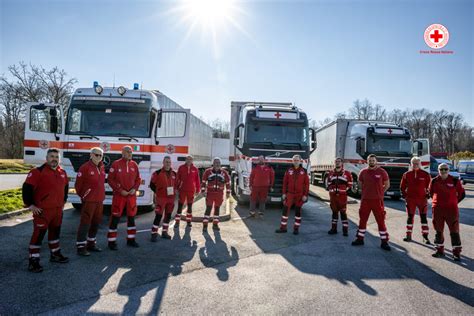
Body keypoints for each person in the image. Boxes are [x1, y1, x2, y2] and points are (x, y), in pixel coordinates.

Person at [23, 148, 69, 272]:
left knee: (55, 233)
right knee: (39, 235)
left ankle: (55, 254)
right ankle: (33, 261)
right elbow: (26, 188)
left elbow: (65, 187)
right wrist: (30, 205)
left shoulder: (62, 172)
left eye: (56, 157)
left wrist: (63, 201)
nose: (54, 159)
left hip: (57, 210)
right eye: (52, 156)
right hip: (42, 211)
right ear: (47, 158)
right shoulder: (37, 171)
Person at [352, 154, 391, 251]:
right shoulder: (363, 172)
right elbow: (360, 185)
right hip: (365, 200)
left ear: (376, 161)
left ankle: (384, 241)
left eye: (373, 160)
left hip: (377, 200)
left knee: (380, 221)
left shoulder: (382, 172)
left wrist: (380, 192)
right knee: (362, 220)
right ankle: (360, 239)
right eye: (370, 160)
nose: (371, 162)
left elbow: (387, 185)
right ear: (367, 161)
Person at [106, 146, 141, 250]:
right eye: (127, 151)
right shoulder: (116, 164)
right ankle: (111, 242)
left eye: (131, 152)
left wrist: (135, 189)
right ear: (122, 152)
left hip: (131, 196)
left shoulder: (134, 164)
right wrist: (120, 190)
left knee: (131, 218)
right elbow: (110, 180)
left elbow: (138, 179)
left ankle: (131, 240)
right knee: (115, 218)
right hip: (119, 196)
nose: (129, 153)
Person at [429, 163, 466, 261]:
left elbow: (462, 194)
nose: (443, 171)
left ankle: (456, 253)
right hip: (437, 210)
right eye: (441, 169)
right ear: (438, 170)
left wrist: (454, 202)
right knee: (438, 230)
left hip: (451, 210)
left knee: (454, 231)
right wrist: (436, 202)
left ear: (449, 170)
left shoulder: (454, 180)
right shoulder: (434, 181)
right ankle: (439, 250)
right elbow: (431, 193)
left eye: (445, 169)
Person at [75, 147, 106, 256]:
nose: (98, 157)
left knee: (96, 223)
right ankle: (81, 246)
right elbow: (78, 185)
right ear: (91, 155)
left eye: (100, 155)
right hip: (89, 201)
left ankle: (91, 244)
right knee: (85, 223)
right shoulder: (85, 167)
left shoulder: (102, 167)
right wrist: (85, 196)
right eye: (96, 155)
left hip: (99, 200)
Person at [400, 157, 431, 244]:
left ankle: (425, 237)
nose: (415, 165)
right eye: (413, 163)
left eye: (417, 163)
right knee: (410, 218)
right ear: (411, 164)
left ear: (420, 164)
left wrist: (428, 194)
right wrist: (405, 195)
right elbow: (402, 186)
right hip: (410, 200)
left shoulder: (425, 174)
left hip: (422, 200)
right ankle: (408, 235)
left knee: (424, 218)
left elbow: (430, 186)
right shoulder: (407, 174)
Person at [276, 155, 309, 235]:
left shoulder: (304, 171)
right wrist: (284, 193)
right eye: (294, 160)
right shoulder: (288, 170)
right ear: (292, 161)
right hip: (289, 194)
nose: (296, 161)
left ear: (300, 161)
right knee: (285, 210)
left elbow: (306, 184)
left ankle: (296, 229)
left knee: (298, 212)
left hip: (300, 195)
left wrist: (305, 195)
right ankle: (283, 228)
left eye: (297, 160)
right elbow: (284, 183)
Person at [150, 156, 177, 241]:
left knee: (168, 216)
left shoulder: (174, 174)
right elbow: (151, 185)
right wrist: (158, 192)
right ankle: (154, 234)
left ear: (171, 163)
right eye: (166, 162)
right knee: (158, 216)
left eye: (169, 162)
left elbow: (177, 184)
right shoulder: (157, 173)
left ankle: (164, 232)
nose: (168, 163)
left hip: (171, 198)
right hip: (161, 198)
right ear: (163, 162)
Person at [201, 157, 231, 232]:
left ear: (220, 164)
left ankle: (215, 224)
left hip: (219, 194)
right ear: (213, 164)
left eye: (218, 163)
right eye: (215, 163)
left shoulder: (224, 173)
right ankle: (205, 225)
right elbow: (204, 181)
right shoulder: (208, 171)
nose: (217, 164)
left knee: (217, 209)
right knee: (208, 209)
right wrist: (203, 190)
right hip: (210, 194)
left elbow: (228, 183)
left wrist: (228, 192)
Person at [327, 157, 353, 236]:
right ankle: (333, 229)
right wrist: (332, 190)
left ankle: (345, 230)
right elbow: (328, 184)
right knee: (334, 213)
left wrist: (343, 190)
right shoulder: (331, 173)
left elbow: (350, 184)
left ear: (342, 163)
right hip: (333, 197)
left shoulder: (347, 173)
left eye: (339, 161)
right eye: (336, 161)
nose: (337, 163)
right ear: (334, 163)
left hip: (342, 197)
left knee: (343, 213)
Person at [175, 155, 201, 227]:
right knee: (180, 206)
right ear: (185, 160)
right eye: (187, 159)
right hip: (182, 190)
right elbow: (177, 178)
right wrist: (176, 188)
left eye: (190, 159)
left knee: (189, 207)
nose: (189, 160)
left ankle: (189, 221)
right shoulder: (181, 168)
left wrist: (198, 189)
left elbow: (197, 180)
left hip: (191, 190)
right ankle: (177, 221)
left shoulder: (195, 169)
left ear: (192, 161)